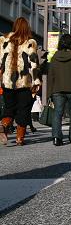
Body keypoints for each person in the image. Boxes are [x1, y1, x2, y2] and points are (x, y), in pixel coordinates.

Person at [0, 17, 41, 146]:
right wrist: (36, 82)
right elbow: (34, 64)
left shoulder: (4, 40)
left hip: (7, 81)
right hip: (24, 82)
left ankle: (4, 124)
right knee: (23, 109)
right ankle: (19, 138)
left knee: (9, 107)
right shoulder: (30, 42)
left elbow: (0, 62)